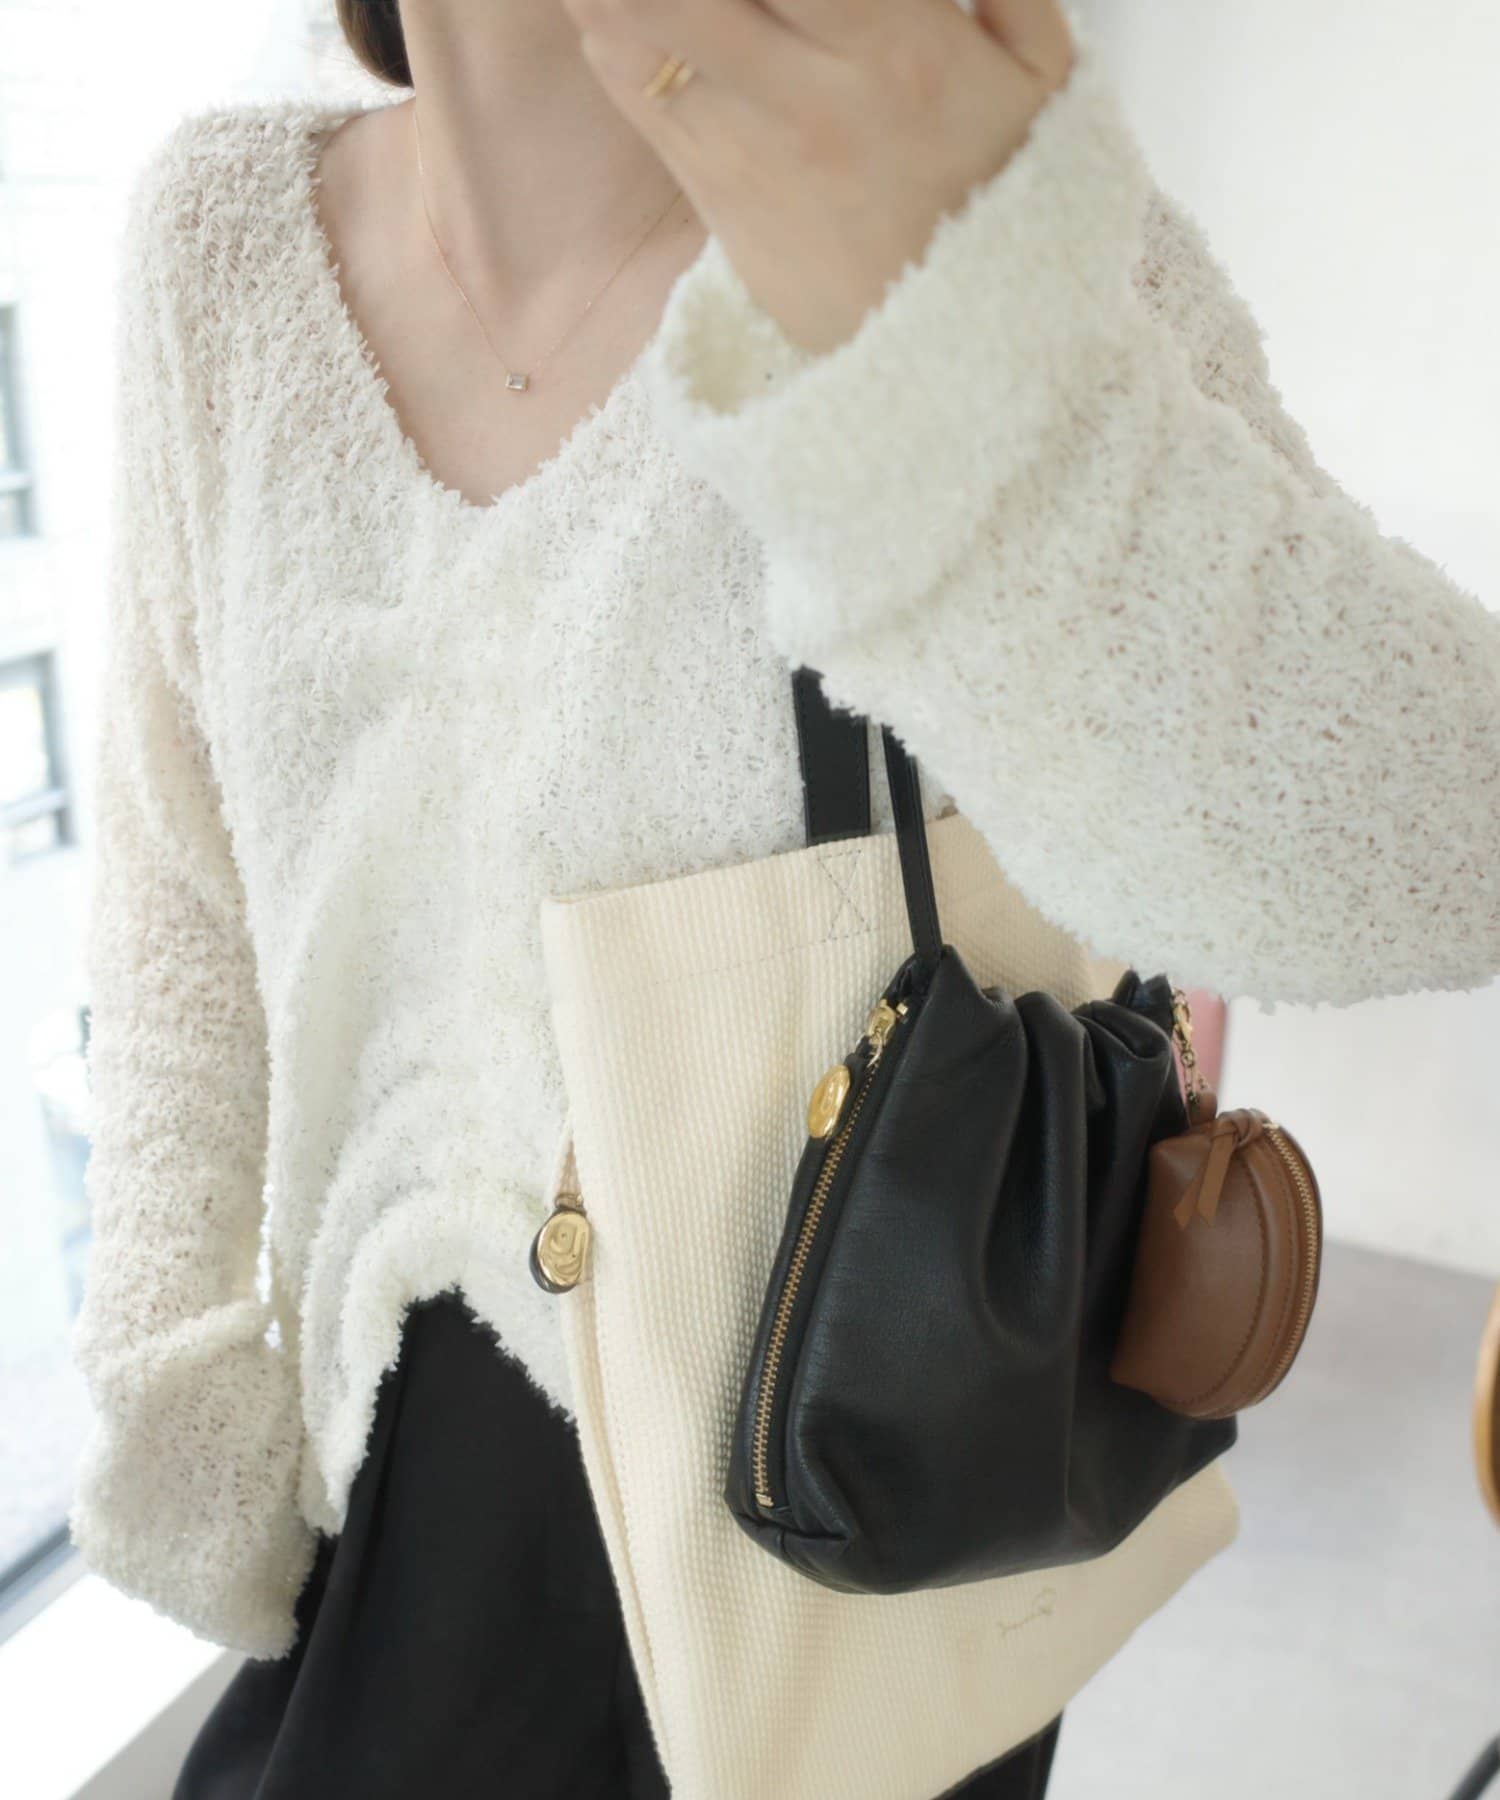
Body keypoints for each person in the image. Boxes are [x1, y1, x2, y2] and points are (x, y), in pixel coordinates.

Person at [66, 0, 1500, 1794]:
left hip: (859, 1482)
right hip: (402, 1501)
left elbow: (1433, 836)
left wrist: (969, 337)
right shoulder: (221, 243)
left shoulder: (948, 187)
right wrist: (172, 1375)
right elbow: (178, 878)